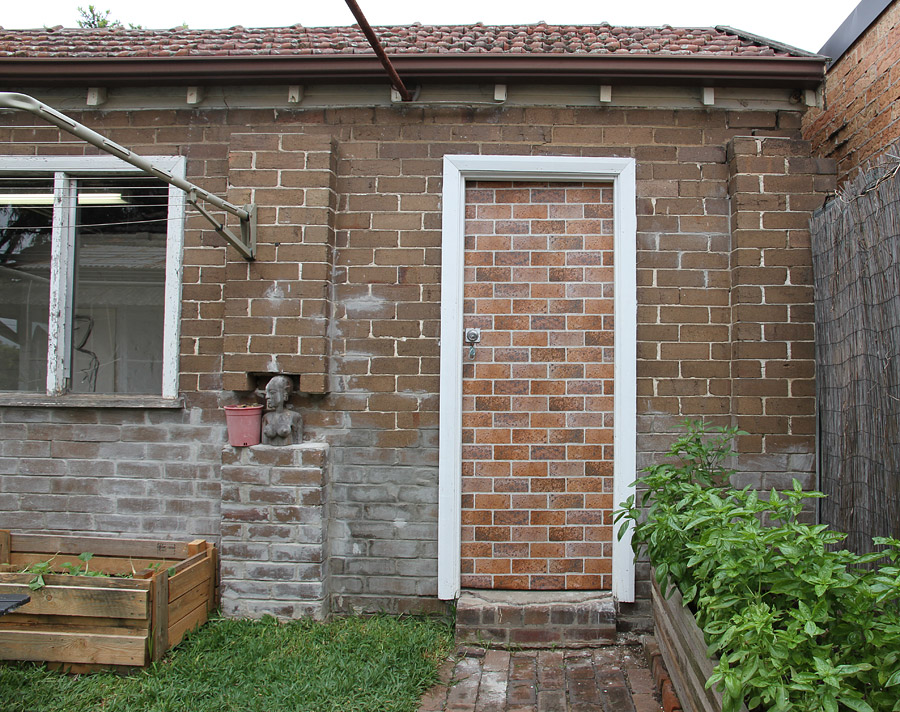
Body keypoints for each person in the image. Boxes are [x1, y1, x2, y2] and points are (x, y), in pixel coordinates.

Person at [261, 375, 302, 446]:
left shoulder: (295, 416)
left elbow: (298, 440)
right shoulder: (266, 417)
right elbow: (264, 441)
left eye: (272, 393)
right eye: (266, 393)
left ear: (284, 395)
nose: (267, 396)